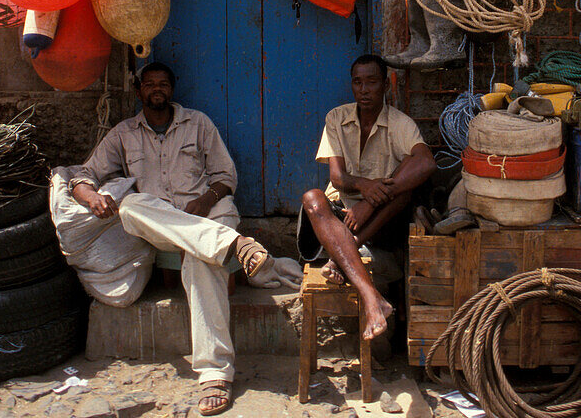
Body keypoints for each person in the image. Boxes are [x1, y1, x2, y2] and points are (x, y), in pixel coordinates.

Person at [65, 62, 269, 417]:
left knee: (201, 261)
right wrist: (90, 196)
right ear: (140, 89)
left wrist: (203, 202)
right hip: (163, 226)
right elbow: (84, 173)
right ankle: (234, 245)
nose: (156, 88)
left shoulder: (198, 123)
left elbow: (226, 177)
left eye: (163, 83)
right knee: (129, 208)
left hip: (210, 215)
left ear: (172, 89)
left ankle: (214, 374)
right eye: (149, 83)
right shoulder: (124, 133)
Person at [298, 54, 437, 340]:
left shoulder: (400, 124)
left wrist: (370, 201)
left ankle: (346, 254)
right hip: (341, 217)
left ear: (386, 85)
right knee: (312, 197)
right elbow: (338, 178)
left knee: (403, 187)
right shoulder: (336, 118)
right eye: (358, 82)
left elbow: (426, 163)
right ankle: (372, 297)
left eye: (371, 82)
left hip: (379, 220)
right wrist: (364, 187)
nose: (364, 90)